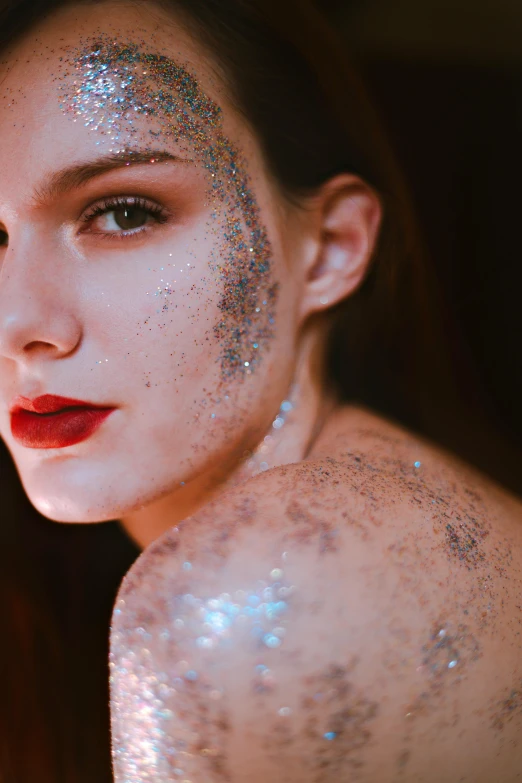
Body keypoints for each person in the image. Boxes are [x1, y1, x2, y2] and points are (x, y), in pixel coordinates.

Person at [0, 0, 520, 780]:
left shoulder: (242, 595)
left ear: (330, 251)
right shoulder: (403, 513)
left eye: (124, 212)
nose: (18, 323)